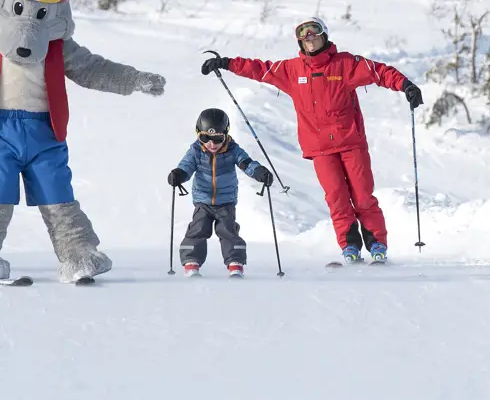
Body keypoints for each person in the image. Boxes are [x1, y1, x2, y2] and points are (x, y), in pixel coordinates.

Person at [200, 17, 423, 264]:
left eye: (314, 33)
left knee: (362, 196)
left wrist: (406, 85)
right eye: (303, 35)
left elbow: (379, 72)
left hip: (350, 142)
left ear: (324, 35)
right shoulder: (292, 70)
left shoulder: (346, 64)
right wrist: (226, 63)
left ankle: (377, 244)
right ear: (300, 42)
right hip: (320, 148)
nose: (309, 38)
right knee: (336, 198)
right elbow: (259, 69)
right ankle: (349, 246)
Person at [167, 108, 273, 277]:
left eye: (217, 138)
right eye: (205, 138)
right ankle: (191, 260)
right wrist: (178, 175)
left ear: (226, 134)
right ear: (198, 134)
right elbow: (186, 166)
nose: (212, 144)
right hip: (203, 200)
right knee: (198, 228)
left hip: (226, 201)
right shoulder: (195, 151)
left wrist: (259, 172)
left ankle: (235, 262)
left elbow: (247, 163)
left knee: (228, 230)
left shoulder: (233, 150)